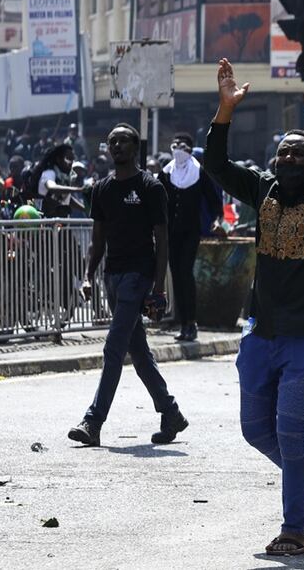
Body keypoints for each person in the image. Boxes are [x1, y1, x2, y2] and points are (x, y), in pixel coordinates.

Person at [203, 56, 304, 556]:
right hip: (262, 334)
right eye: (282, 155)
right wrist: (225, 111)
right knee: (254, 429)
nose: (288, 162)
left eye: (299, 157)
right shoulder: (262, 190)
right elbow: (217, 165)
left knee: (290, 430)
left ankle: (293, 528)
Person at [67, 124, 186, 451]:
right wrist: (89, 276)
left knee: (114, 347)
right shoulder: (102, 189)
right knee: (139, 353)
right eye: (112, 141)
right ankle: (171, 412)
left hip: (138, 276)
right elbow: (98, 240)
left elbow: (162, 239)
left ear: (136, 147)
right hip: (112, 277)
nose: (117, 145)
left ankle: (93, 421)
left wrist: (158, 287)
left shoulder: (150, 187)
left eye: (123, 141)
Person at [158, 132, 224, 342]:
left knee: (185, 272)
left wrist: (217, 221)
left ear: (190, 150)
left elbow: (215, 202)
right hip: (171, 232)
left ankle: (191, 323)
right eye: (175, 145)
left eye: (183, 146)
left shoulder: (199, 173)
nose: (178, 149)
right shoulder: (166, 173)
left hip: (190, 231)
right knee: (176, 274)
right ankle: (182, 321)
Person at [33, 143, 87, 218]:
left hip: (61, 223)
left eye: (72, 159)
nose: (71, 163)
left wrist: (86, 209)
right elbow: (52, 188)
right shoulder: (49, 173)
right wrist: (79, 189)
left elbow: (67, 198)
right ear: (58, 159)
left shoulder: (64, 176)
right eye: (68, 159)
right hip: (45, 224)